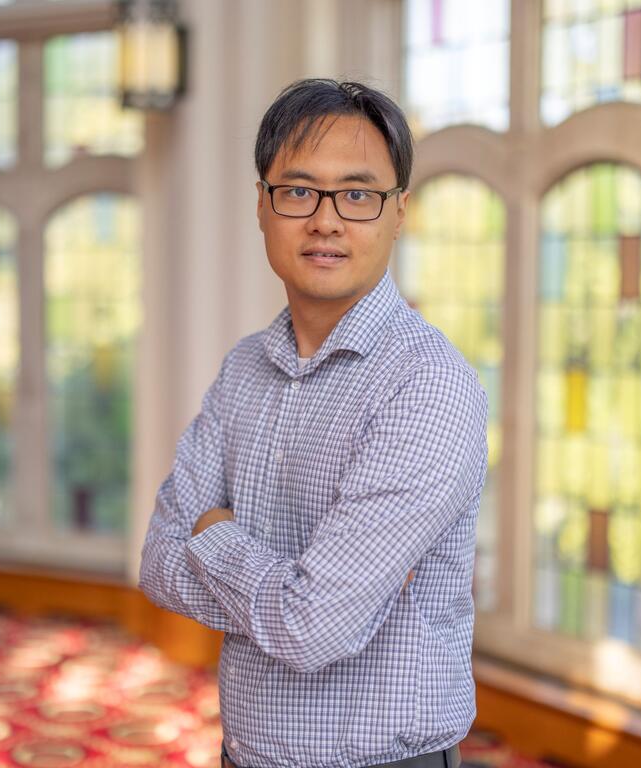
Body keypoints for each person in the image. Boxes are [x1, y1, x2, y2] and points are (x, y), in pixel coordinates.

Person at [139, 78, 488, 768]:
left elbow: (311, 628)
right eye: (298, 191)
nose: (325, 220)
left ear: (399, 213)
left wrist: (213, 532)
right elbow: (155, 561)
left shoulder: (428, 387)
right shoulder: (244, 370)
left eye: (358, 195)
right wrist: (294, 585)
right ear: (263, 207)